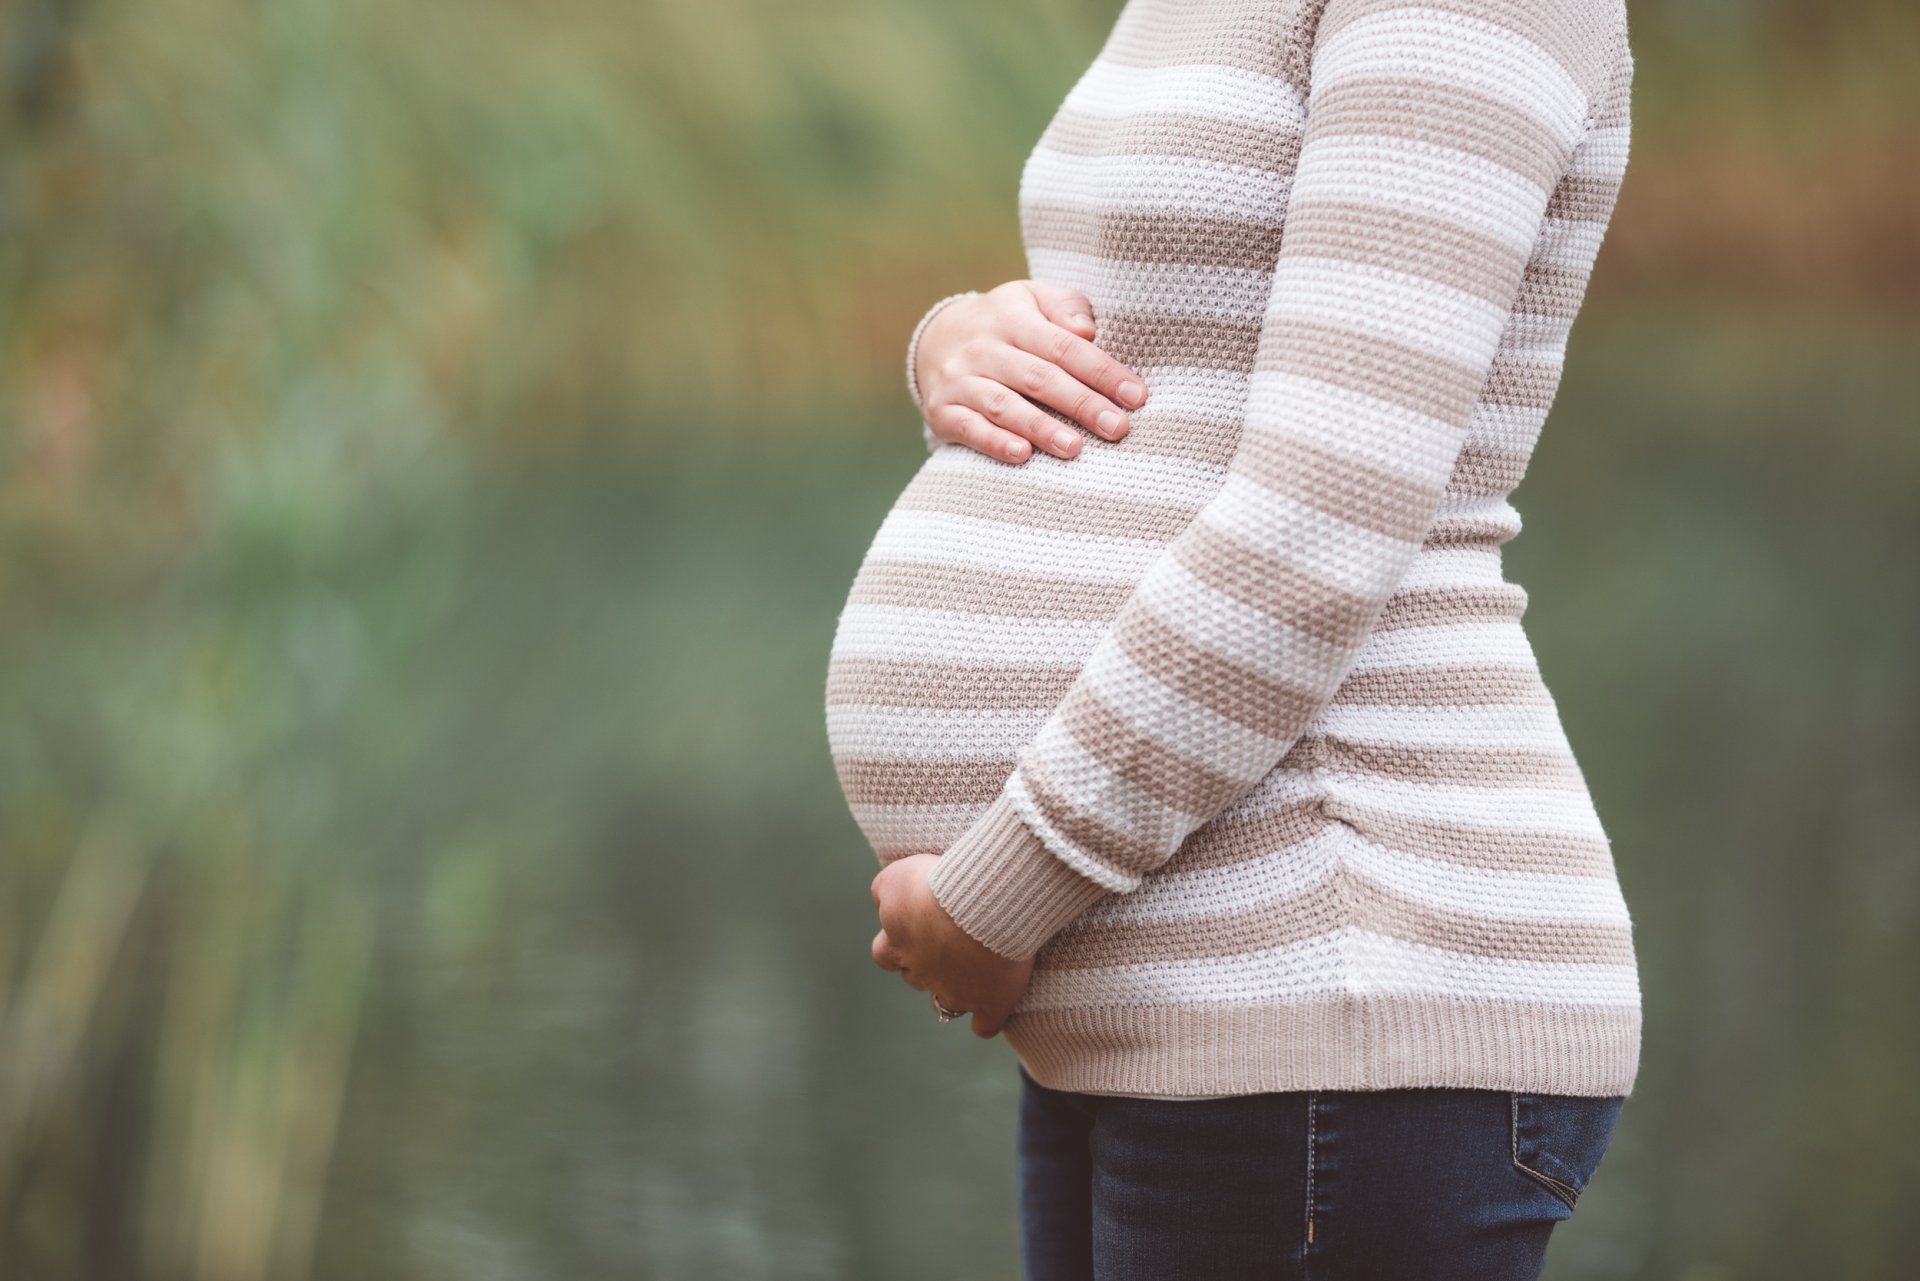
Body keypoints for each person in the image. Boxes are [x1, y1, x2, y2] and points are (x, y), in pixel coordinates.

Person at [826, 0, 1639, 1275]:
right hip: (1142, 991)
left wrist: (998, 898)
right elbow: (1168, 332)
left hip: (1334, 982)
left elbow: (1329, 518)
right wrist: (958, 339)